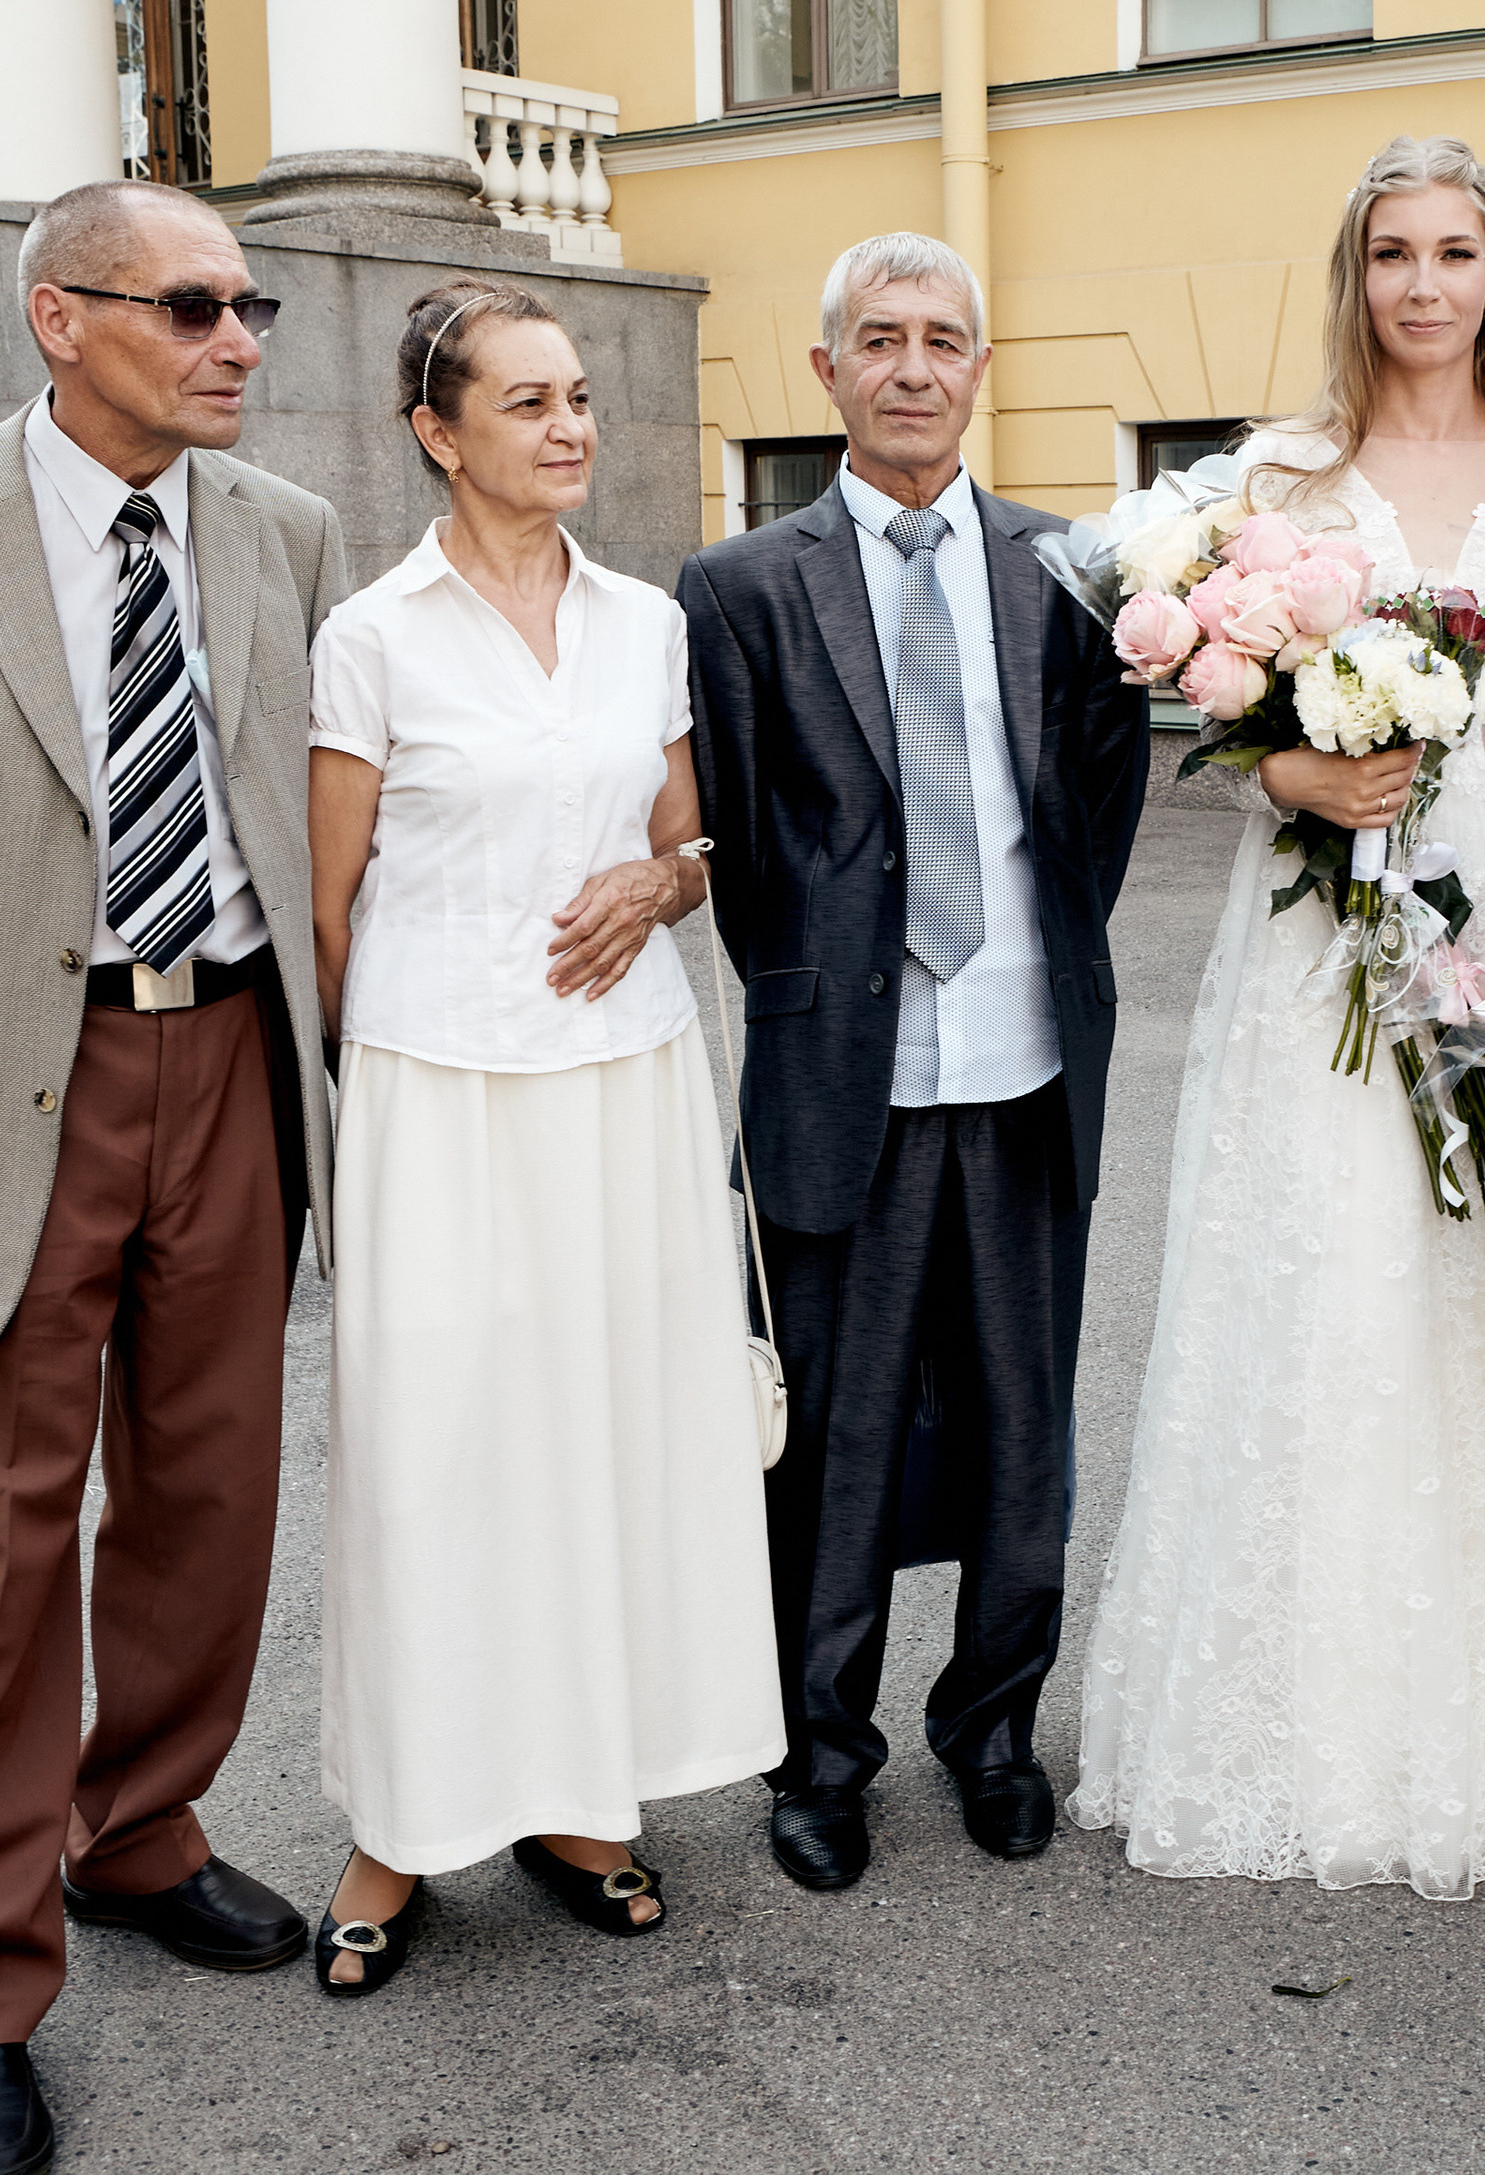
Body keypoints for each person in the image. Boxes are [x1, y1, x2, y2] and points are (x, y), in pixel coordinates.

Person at [1070, 134, 1485, 1900]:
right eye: (1395, 252)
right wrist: (1292, 777)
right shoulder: (1272, 474)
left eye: (1457, 253)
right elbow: (1210, 706)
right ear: (1358, 277)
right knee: (1324, 1274)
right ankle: (1295, 1712)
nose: (1425, 284)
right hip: (1321, 935)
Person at [306, 279, 783, 1994]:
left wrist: (669, 882)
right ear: (438, 433)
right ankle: (402, 1823)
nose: (571, 424)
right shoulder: (372, 634)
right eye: (527, 401)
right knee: (437, 1451)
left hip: (625, 1082)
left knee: (596, 1438)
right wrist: (395, 1095)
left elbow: (683, 837)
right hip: (440, 1099)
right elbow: (330, 907)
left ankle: (580, 1797)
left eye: (578, 394)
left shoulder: (648, 621)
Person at [681, 233, 1149, 1893]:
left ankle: (995, 1726)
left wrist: (1025, 958)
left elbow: (1094, 812)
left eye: (943, 338)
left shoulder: (1071, 570)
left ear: (980, 366)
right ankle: (822, 1753)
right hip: (844, 1081)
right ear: (827, 374)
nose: (912, 366)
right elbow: (738, 845)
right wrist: (832, 996)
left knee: (1029, 1427)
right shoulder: (738, 588)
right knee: (836, 1443)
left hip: (1026, 1062)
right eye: (878, 339)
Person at [0, 181, 345, 2170]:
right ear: (61, 317)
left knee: (213, 1482)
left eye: (253, 303)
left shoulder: (277, 533)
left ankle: (140, 1828)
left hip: (223, 1042)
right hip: (30, 1085)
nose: (238, 338)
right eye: (195, 304)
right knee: (13, 1531)